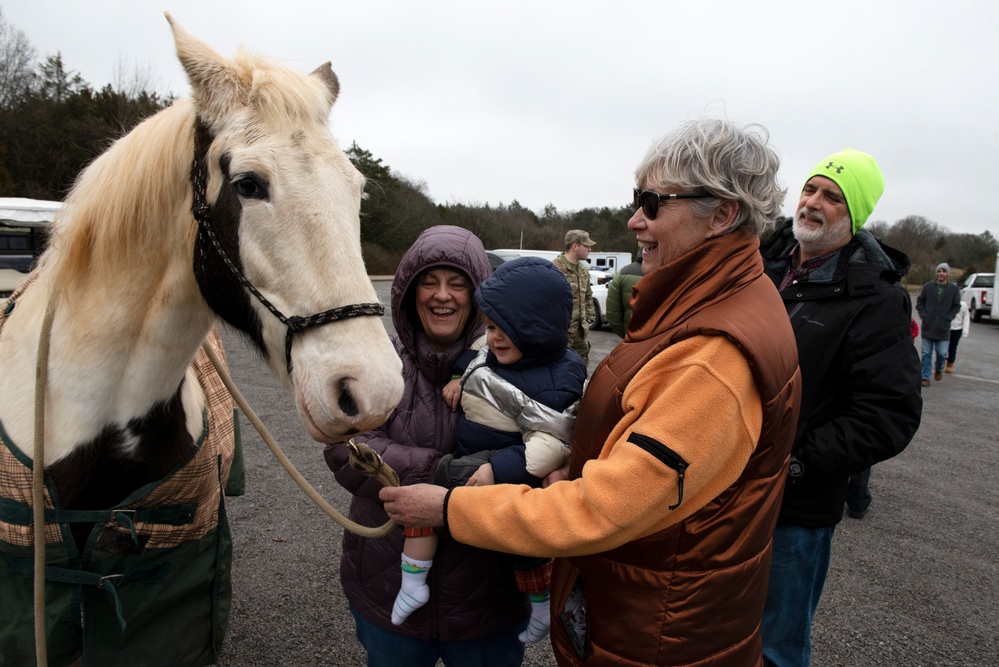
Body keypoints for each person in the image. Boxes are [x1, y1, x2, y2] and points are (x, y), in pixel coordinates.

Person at [381, 118, 802, 667]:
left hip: (660, 637)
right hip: (649, 614)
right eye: (637, 198)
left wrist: (452, 507)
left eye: (653, 202)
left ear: (722, 214)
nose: (634, 219)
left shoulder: (714, 357)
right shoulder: (706, 304)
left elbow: (606, 507)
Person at [323, 225, 530, 667]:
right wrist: (443, 475)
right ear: (408, 291)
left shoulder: (517, 368)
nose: (443, 295)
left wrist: (451, 490)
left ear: (480, 295)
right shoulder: (377, 360)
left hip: (486, 600)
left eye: (458, 284)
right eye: (429, 282)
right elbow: (346, 447)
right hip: (384, 586)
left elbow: (541, 455)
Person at [759, 148, 923, 666]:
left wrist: (798, 463)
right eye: (811, 189)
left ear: (854, 217)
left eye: (832, 197)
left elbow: (888, 413)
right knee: (717, 631)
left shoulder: (874, 299)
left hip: (795, 508)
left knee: (776, 647)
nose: (813, 203)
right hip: (726, 490)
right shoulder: (761, 265)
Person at [392, 256, 587, 646]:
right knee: (523, 546)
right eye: (492, 326)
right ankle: (537, 604)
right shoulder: (498, 350)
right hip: (489, 457)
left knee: (433, 487)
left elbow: (553, 442)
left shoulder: (556, 380)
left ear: (539, 331)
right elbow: (477, 354)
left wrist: (499, 469)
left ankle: (416, 579)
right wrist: (456, 377)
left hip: (502, 465)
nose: (494, 337)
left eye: (506, 330)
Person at [553, 229, 596, 365]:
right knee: (558, 368)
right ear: (575, 246)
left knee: (579, 368)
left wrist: (589, 316)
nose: (590, 249)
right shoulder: (555, 269)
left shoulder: (582, 270)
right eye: (586, 245)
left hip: (580, 334)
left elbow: (588, 296)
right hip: (561, 334)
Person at [916, 262, 962, 386]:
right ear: (936, 273)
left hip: (943, 327)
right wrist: (924, 315)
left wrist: (948, 317)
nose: (941, 273)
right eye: (939, 271)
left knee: (942, 353)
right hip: (928, 326)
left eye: (943, 271)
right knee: (926, 353)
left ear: (947, 274)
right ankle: (925, 377)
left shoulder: (953, 289)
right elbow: (920, 302)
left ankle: (938, 368)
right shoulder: (928, 287)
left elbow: (956, 306)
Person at [604, 258, 644, 337]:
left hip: (632, 337)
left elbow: (612, 312)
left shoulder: (623, 273)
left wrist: (625, 334)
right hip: (665, 341)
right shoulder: (672, 271)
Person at [946, 299, 971, 373]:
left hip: (957, 329)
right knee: (942, 347)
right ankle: (941, 361)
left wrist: (965, 331)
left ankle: (950, 363)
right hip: (945, 328)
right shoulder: (946, 302)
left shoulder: (963, 305)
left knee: (952, 347)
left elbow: (966, 317)